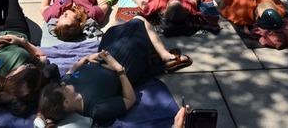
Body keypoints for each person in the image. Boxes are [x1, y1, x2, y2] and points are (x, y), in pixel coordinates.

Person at [37, 16, 192, 126]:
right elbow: (129, 100)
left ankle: (156, 50)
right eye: (63, 89)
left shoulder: (67, 84)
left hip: (105, 54)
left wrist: (85, 59)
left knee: (116, 28)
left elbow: (72, 69)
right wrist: (119, 71)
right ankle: (164, 56)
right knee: (139, 21)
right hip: (124, 65)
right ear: (66, 102)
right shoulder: (97, 109)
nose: (63, 84)